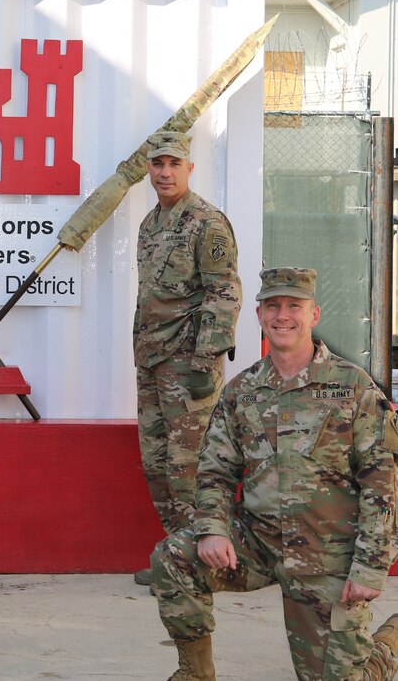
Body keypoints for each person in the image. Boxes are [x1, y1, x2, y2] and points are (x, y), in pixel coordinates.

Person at [151, 267, 398, 680]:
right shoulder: (242, 391)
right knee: (174, 557)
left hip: (327, 552)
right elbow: (215, 471)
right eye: (273, 306)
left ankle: (387, 647)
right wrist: (212, 527)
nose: (283, 316)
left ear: (314, 314)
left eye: (294, 306)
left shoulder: (352, 388)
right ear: (260, 315)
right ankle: (195, 674)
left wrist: (371, 566)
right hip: (259, 542)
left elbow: (383, 483)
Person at [133, 131, 241, 585]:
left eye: (174, 164)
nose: (165, 172)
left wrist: (205, 360)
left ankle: (209, 565)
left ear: (189, 168)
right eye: (158, 164)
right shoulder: (149, 224)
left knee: (190, 465)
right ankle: (181, 560)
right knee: (157, 463)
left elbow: (224, 292)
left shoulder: (207, 222)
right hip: (151, 359)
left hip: (188, 362)